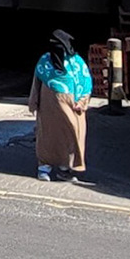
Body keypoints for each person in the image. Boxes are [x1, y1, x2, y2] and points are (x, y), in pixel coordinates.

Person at [28, 29, 93, 182]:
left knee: (72, 136)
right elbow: (36, 83)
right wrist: (34, 102)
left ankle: (65, 168)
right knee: (48, 136)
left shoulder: (76, 62)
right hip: (49, 109)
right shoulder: (45, 61)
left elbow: (85, 83)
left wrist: (82, 102)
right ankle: (44, 167)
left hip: (73, 109)